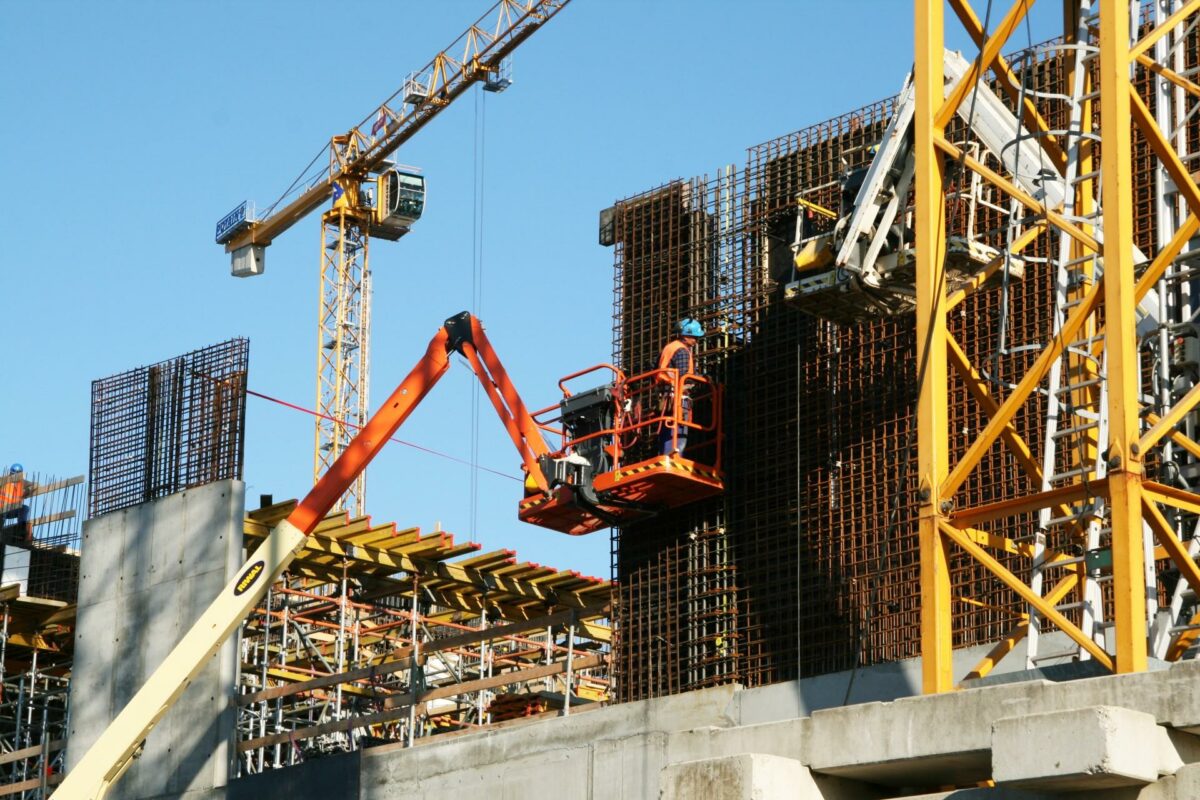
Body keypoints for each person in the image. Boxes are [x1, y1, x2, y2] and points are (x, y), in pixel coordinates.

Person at [657, 318, 703, 457]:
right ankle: (674, 457)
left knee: (667, 427)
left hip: (666, 394)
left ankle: (665, 454)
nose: (696, 341)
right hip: (677, 396)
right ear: (685, 335)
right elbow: (684, 376)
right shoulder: (682, 351)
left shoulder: (669, 347)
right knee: (679, 429)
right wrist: (702, 378)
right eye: (694, 337)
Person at [0, 465, 30, 541]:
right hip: (1, 510)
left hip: (12, 510)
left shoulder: (22, 483)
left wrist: (29, 489)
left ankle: (21, 530)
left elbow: (36, 485)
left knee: (25, 508)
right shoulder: (3, 481)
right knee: (4, 510)